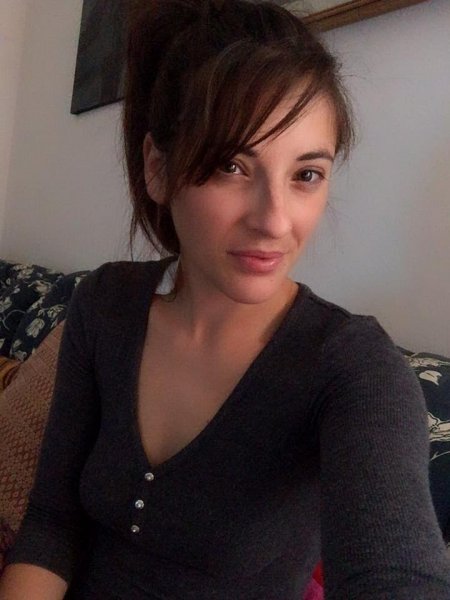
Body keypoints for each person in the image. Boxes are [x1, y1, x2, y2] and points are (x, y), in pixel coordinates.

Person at [1, 0, 450, 598]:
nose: (274, 220)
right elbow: (52, 523)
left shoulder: (354, 369)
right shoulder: (105, 304)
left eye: (306, 175)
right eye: (232, 166)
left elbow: (395, 574)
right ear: (158, 168)